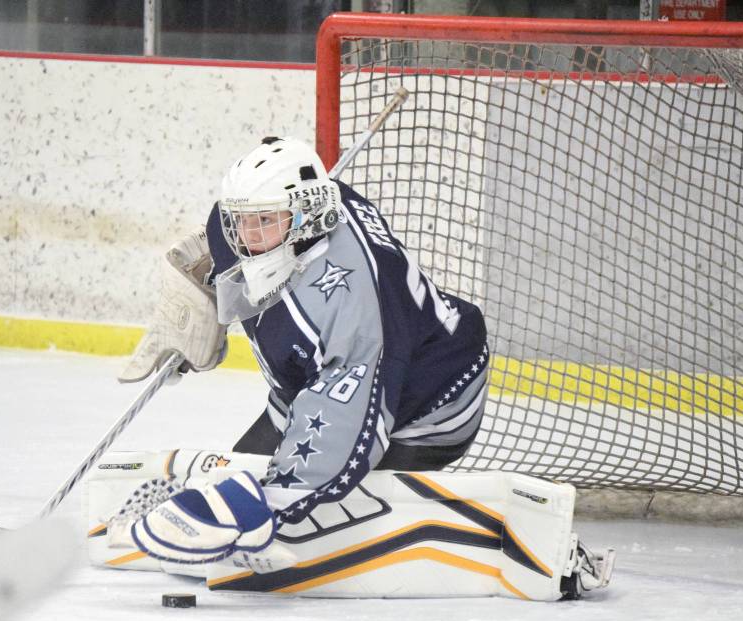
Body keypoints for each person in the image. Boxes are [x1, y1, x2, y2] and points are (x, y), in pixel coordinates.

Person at [118, 136, 491, 565]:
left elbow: (340, 425)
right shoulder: (251, 223)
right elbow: (217, 241)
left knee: (314, 496)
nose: (246, 238)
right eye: (241, 221)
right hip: (313, 380)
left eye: (263, 221)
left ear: (307, 216)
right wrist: (192, 291)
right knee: (242, 470)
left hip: (431, 400)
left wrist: (269, 505)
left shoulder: (350, 309)